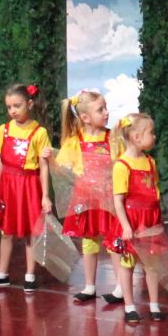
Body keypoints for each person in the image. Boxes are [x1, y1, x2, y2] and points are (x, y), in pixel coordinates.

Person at [0, 84, 53, 293]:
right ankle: (2, 274)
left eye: (17, 106)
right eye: (9, 107)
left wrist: (45, 196)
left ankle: (30, 275)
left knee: (30, 231)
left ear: (29, 104)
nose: (12, 110)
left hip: (28, 186)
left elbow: (43, 166)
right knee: (6, 231)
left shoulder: (39, 132)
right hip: (8, 186)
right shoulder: (3, 130)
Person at [55, 89, 114, 304]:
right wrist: (49, 159)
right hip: (86, 199)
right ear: (85, 117)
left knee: (114, 241)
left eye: (106, 108)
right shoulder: (75, 141)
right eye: (100, 109)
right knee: (89, 241)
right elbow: (62, 168)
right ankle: (90, 286)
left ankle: (121, 288)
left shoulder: (113, 138)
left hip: (108, 199)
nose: (106, 112)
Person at [106, 113, 164, 323]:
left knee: (151, 264)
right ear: (137, 137)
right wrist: (126, 226)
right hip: (132, 220)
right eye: (151, 132)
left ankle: (154, 305)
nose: (154, 136)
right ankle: (129, 305)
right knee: (127, 263)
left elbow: (154, 190)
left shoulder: (150, 162)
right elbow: (118, 200)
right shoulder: (122, 165)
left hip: (149, 219)